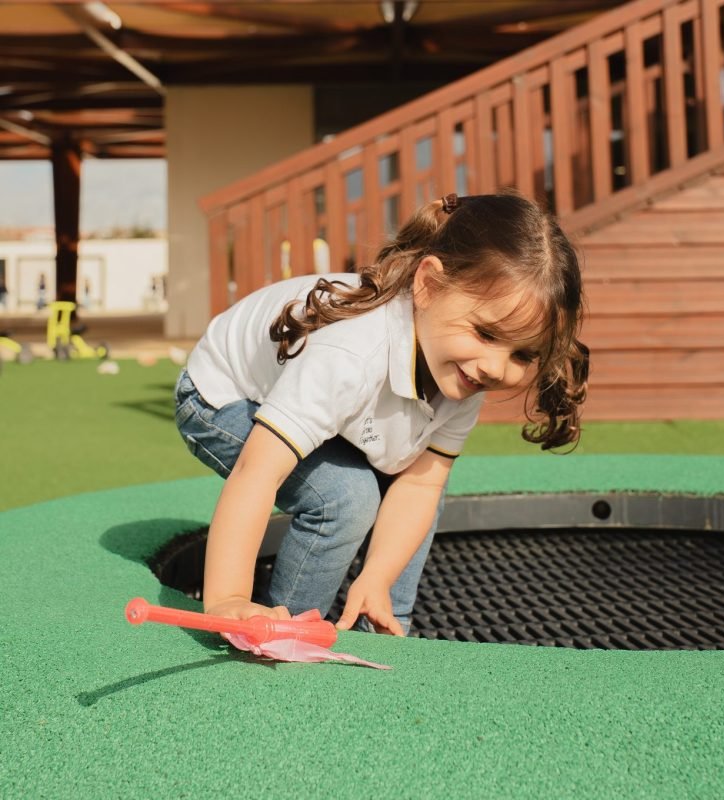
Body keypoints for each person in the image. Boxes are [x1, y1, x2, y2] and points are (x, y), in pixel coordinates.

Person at [174, 190, 589, 645]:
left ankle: (385, 625)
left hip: (331, 405)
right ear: (428, 285)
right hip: (221, 393)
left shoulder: (464, 371)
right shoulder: (352, 352)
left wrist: (376, 576)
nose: (495, 367)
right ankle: (281, 633)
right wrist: (228, 597)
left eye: (522, 354)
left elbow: (420, 486)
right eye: (486, 333)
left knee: (415, 478)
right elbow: (257, 472)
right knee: (345, 497)